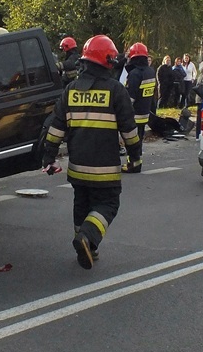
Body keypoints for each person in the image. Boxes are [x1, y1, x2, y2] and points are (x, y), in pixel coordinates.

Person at [41, 34, 140, 269]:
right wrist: (136, 157)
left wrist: (48, 156)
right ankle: (87, 238)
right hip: (105, 170)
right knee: (108, 204)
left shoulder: (70, 91)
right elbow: (130, 131)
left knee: (82, 204)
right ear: (108, 60)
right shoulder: (116, 91)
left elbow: (55, 128)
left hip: (77, 169)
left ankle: (86, 249)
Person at [121, 42, 156, 173]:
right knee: (138, 139)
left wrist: (122, 110)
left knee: (131, 140)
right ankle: (136, 163)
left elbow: (130, 97)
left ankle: (133, 165)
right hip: (145, 112)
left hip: (133, 114)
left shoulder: (135, 74)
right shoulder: (150, 71)